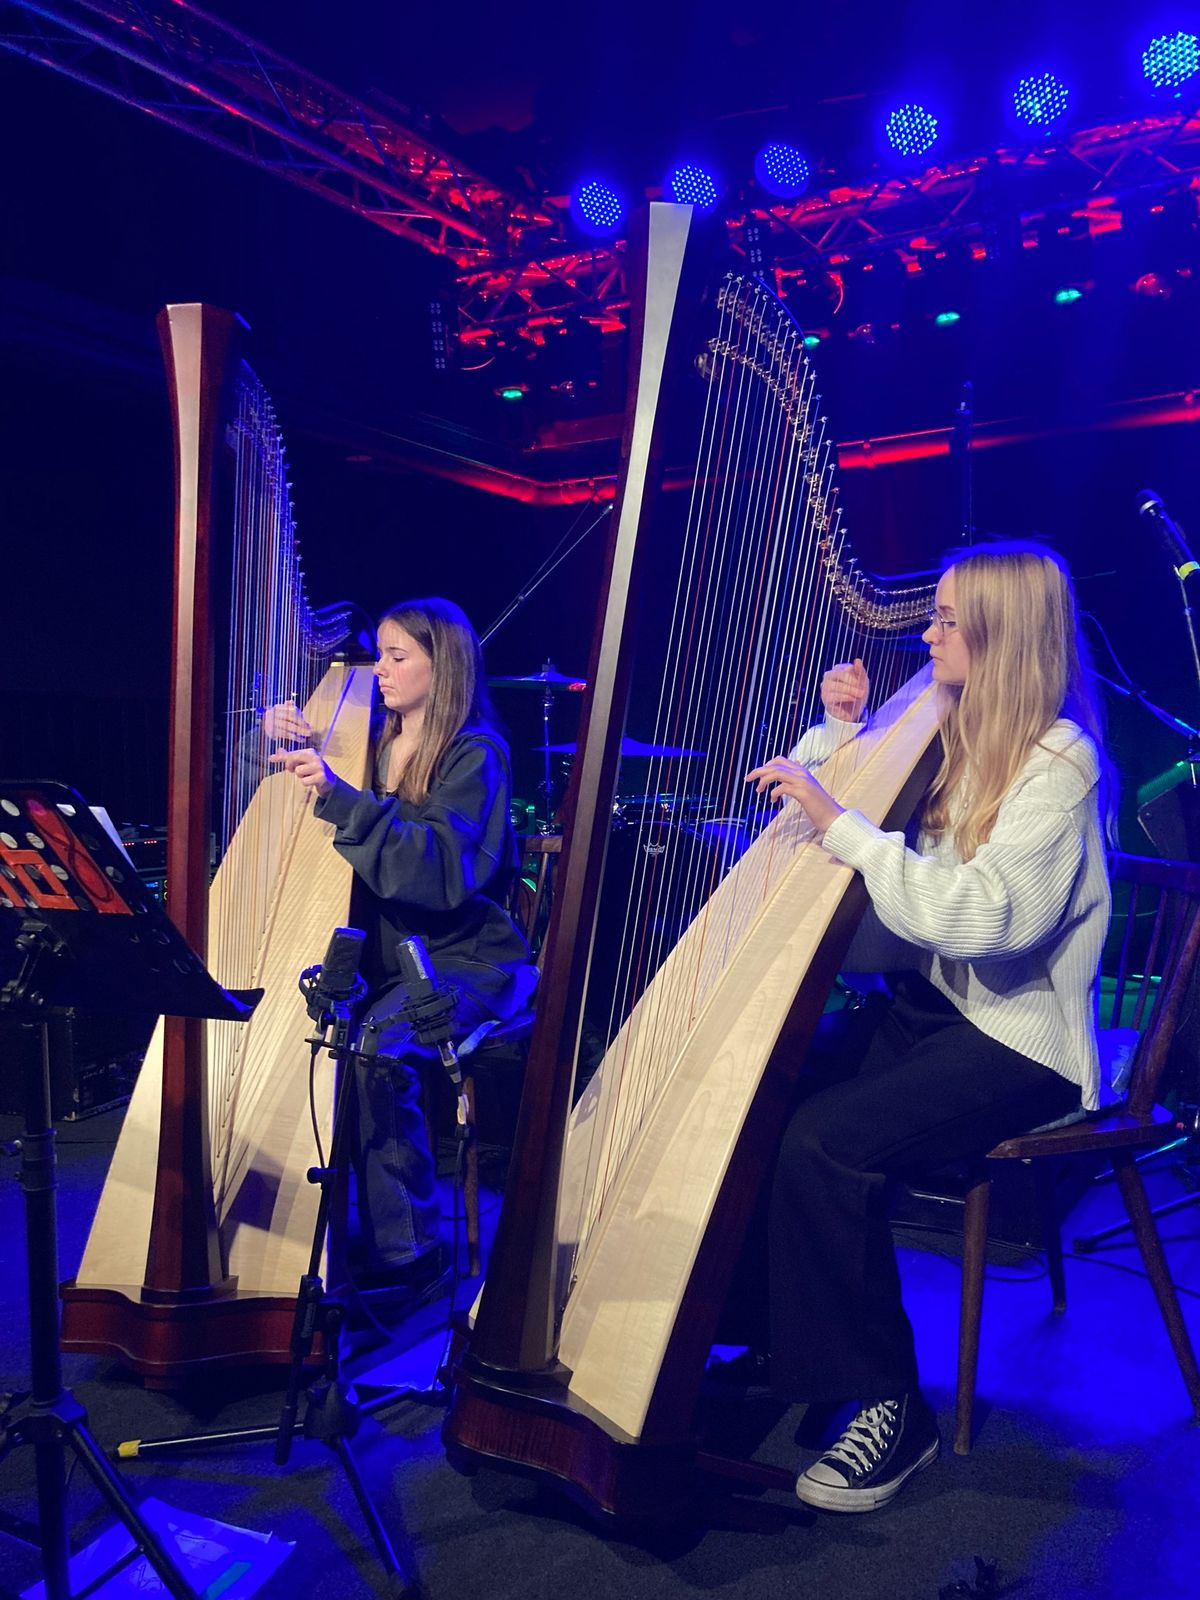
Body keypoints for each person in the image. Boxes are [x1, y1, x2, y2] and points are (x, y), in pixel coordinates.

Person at [743, 540, 1112, 1514]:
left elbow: (977, 917)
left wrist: (844, 825)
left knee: (829, 1144)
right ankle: (783, 1340)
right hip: (942, 1008)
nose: (926, 631)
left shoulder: (1058, 764)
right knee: (759, 1092)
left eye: (947, 619)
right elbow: (857, 859)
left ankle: (887, 1404)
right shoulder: (954, 735)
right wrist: (836, 733)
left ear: (1001, 633)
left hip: (1022, 1042)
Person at [268, 596, 537, 1293]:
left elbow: (443, 872)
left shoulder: (475, 756)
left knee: (375, 1050)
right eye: (378, 654)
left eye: (397, 656)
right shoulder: (370, 740)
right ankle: (325, 1235)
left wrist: (341, 797)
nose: (378, 669)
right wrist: (269, 734)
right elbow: (283, 778)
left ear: (440, 665)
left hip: (464, 957)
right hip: (392, 956)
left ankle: (411, 1249)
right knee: (308, 1028)